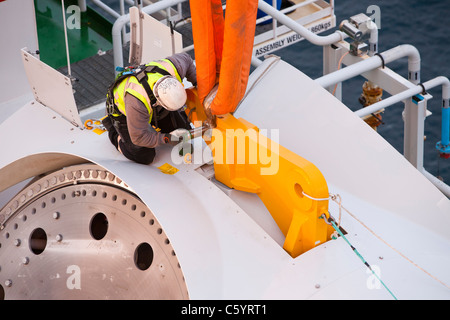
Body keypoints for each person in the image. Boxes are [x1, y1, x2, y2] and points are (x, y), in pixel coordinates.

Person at [102, 52, 197, 164]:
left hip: (154, 105)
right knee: (144, 156)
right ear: (159, 101)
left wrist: (196, 82)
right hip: (124, 112)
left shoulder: (174, 68)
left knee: (183, 129)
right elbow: (139, 138)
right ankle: (113, 131)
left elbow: (187, 58)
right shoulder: (136, 102)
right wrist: (166, 138)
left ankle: (161, 119)